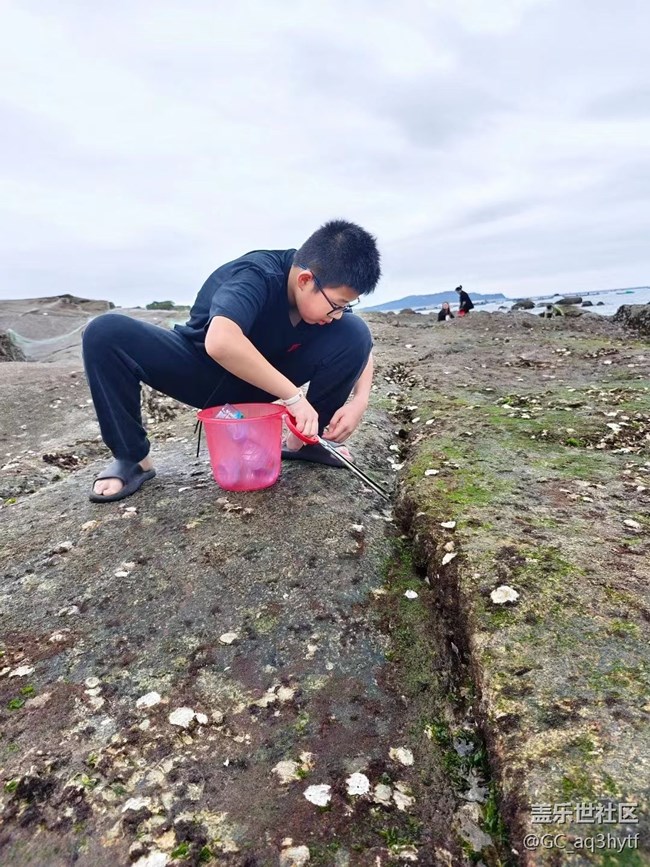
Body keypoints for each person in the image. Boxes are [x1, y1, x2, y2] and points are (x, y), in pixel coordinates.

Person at [82, 220, 381, 503]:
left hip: (263, 383)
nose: (337, 314)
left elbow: (360, 345)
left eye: (344, 306)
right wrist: (294, 397)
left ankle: (308, 442)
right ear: (305, 280)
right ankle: (133, 459)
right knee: (105, 332)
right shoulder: (256, 274)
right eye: (336, 306)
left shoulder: (324, 292)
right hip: (204, 376)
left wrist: (360, 400)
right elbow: (220, 341)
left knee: (355, 331)